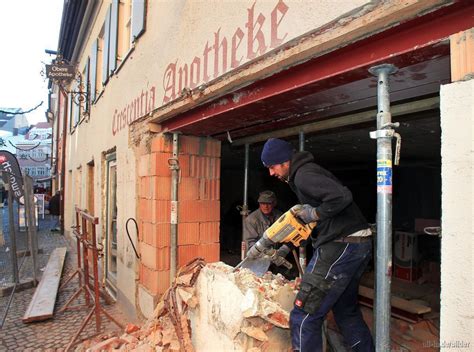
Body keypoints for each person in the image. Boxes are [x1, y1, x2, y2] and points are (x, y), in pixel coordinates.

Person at [260, 138, 374, 351]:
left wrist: (315, 213)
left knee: (304, 316)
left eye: (272, 167)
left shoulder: (304, 175)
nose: (271, 173)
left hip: (341, 246)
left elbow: (342, 197)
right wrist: (288, 246)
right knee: (345, 311)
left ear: (285, 161)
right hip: (357, 244)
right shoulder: (303, 174)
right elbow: (313, 221)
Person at [243, 190, 291, 274]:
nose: (265, 206)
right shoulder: (251, 220)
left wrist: (282, 252)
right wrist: (268, 255)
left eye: (268, 203)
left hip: (278, 259)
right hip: (258, 260)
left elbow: (289, 237)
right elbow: (250, 244)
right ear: (259, 204)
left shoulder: (281, 217)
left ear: (274, 203)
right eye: (262, 203)